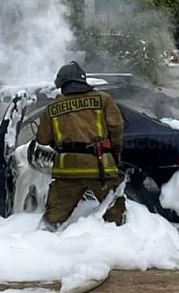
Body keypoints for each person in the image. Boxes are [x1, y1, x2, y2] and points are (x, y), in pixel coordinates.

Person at [35, 61, 125, 231]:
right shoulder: (103, 99)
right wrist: (115, 154)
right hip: (101, 168)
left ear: (62, 84)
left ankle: (43, 250)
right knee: (115, 214)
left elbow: (42, 139)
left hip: (67, 170)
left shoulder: (52, 107)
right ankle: (114, 251)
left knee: (52, 219)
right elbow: (116, 128)